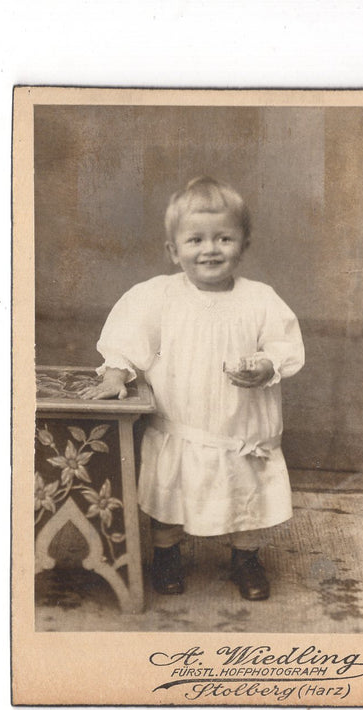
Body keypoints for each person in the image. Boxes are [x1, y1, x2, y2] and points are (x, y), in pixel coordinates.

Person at [80, 177, 304, 600]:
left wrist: (266, 364)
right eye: (196, 239)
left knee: (247, 498)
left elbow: (284, 343)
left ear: (244, 244)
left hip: (242, 426)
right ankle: (167, 555)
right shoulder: (159, 296)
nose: (210, 249)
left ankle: (245, 557)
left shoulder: (261, 299)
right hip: (183, 424)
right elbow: (128, 341)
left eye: (224, 238)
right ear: (173, 250)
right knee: (171, 495)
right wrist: (115, 375)